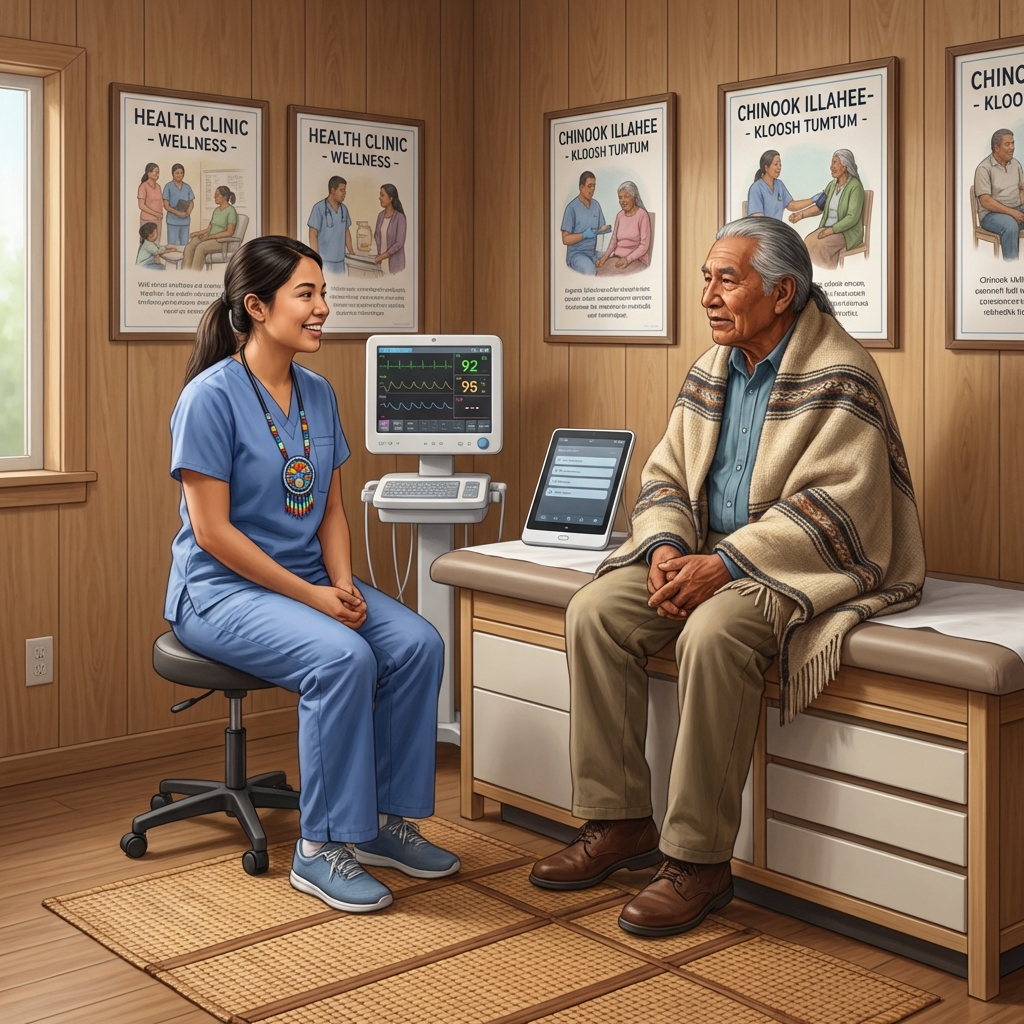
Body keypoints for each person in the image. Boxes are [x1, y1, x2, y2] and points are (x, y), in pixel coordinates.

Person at [529, 217, 924, 937]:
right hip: (702, 549)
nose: (707, 295)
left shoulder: (842, 368)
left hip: (792, 564)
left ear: (782, 292)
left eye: (726, 279)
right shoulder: (714, 363)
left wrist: (728, 563)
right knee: (596, 610)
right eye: (705, 278)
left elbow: (844, 504)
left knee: (712, 633)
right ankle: (619, 822)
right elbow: (668, 474)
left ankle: (699, 863)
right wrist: (664, 550)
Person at [165, 236, 459, 913]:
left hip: (307, 577)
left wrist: (345, 583)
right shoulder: (208, 399)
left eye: (324, 292)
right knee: (342, 659)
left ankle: (381, 824)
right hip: (218, 591)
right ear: (257, 307)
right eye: (308, 294)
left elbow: (328, 506)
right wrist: (315, 600)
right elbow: (212, 532)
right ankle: (320, 847)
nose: (324, 307)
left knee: (417, 644)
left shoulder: (318, 392)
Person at [789, 149, 865, 269]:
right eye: (831, 163)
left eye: (835, 162)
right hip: (827, 229)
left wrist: (831, 230)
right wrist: (800, 215)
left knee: (821, 246)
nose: (831, 167)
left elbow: (852, 217)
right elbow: (820, 207)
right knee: (807, 242)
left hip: (847, 232)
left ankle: (830, 275)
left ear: (845, 166)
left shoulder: (855, 186)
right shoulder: (831, 186)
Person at [974, 128, 1024, 260]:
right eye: (1007, 144)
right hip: (991, 215)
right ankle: (1010, 266)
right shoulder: (984, 168)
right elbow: (985, 201)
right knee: (1010, 225)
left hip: (1016, 209)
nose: (1012, 148)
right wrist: (1012, 213)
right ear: (996, 148)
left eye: (1013, 143)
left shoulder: (1016, 164)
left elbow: (1022, 190)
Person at [561, 170, 610, 275]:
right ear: (581, 187)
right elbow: (565, 239)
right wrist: (583, 235)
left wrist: (606, 229)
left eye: (594, 186)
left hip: (593, 253)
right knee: (590, 271)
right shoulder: (572, 208)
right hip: (577, 254)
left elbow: (601, 228)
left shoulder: (596, 205)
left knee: (613, 259)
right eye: (589, 186)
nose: (592, 189)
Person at [595, 181, 651, 273]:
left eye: (626, 196)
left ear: (633, 197)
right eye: (620, 197)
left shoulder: (642, 215)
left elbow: (644, 246)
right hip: (617, 257)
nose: (622, 201)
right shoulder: (620, 215)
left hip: (635, 260)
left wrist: (628, 259)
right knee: (598, 273)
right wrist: (604, 258)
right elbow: (613, 241)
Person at [182, 186, 238, 271]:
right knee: (190, 245)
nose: (214, 197)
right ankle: (185, 273)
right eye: (215, 195)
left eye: (217, 195)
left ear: (225, 197)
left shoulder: (231, 211)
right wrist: (197, 233)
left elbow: (229, 232)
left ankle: (194, 276)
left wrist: (209, 237)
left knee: (200, 247)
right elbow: (209, 229)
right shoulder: (216, 211)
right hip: (209, 238)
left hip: (221, 242)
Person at [746, 150, 813, 220]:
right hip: (763, 229)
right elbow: (758, 220)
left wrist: (813, 200)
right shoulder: (756, 188)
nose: (779, 167)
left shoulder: (779, 185)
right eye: (776, 164)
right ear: (766, 167)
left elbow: (792, 205)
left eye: (780, 165)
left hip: (777, 229)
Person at [307, 175, 353, 275]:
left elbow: (346, 231)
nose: (344, 193)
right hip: (324, 262)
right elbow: (312, 234)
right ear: (333, 190)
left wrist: (351, 252)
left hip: (340, 262)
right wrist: (315, 258)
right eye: (342, 190)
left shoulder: (344, 209)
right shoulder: (319, 208)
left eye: (345, 190)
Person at [373, 184, 407, 274]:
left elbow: (399, 243)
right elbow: (376, 235)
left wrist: (382, 256)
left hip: (395, 265)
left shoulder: (400, 218)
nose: (379, 198)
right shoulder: (380, 215)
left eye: (382, 195)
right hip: (380, 263)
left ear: (391, 198)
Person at [162, 164, 195, 247]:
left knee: (184, 246)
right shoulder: (168, 186)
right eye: (177, 173)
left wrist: (187, 212)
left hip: (185, 221)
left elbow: (191, 202)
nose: (179, 175)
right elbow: (166, 205)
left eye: (181, 173)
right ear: (172, 174)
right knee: (172, 246)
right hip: (172, 221)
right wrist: (178, 213)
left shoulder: (187, 187)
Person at [138, 163, 163, 233]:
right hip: (147, 220)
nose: (157, 174)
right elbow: (141, 206)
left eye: (158, 172)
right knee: (147, 242)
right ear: (149, 173)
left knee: (157, 243)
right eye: (155, 172)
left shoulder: (158, 187)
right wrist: (156, 214)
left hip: (158, 220)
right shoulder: (143, 186)